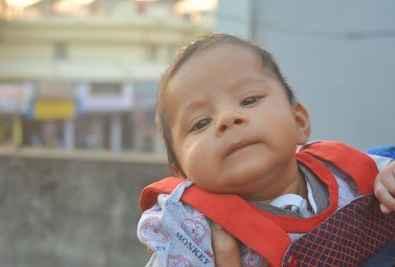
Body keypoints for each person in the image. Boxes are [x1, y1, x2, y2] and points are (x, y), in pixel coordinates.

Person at [137, 34, 395, 267]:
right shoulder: (187, 226)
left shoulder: (351, 168)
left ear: (299, 123)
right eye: (201, 122)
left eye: (250, 100)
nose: (227, 118)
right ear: (182, 174)